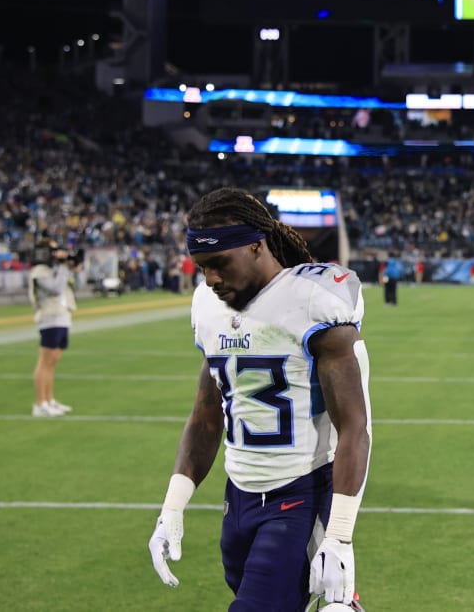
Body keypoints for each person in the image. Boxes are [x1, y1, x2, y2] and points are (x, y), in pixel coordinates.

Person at [148, 188, 372, 612]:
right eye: (203, 267)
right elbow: (206, 416)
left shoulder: (314, 303)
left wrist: (339, 534)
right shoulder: (207, 306)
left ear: (256, 246)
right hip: (239, 497)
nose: (211, 280)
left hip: (301, 493)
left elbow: (354, 426)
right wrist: (172, 507)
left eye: (219, 264)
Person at [28, 240, 79, 417]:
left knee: (53, 362)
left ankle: (49, 400)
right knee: (44, 362)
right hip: (50, 318)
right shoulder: (39, 272)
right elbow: (55, 288)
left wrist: (71, 267)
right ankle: (39, 403)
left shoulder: (54, 270)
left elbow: (72, 285)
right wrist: (64, 267)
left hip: (62, 316)